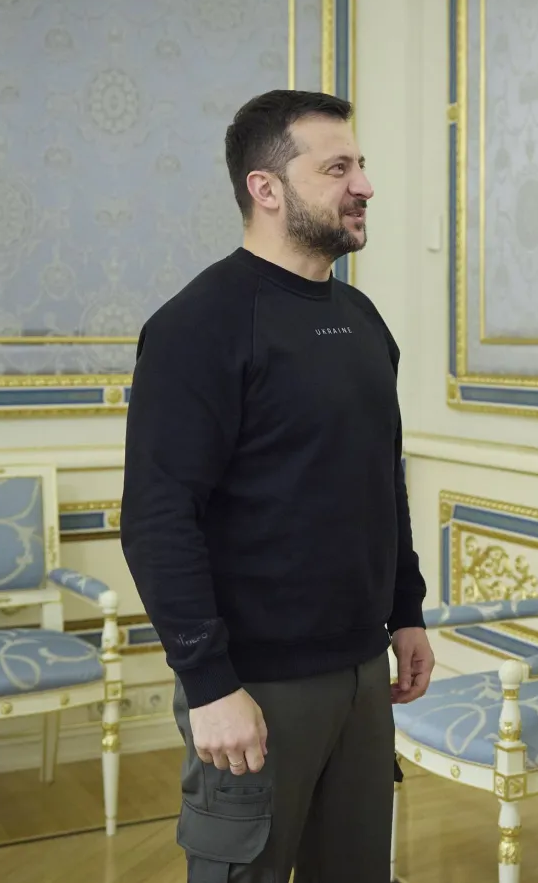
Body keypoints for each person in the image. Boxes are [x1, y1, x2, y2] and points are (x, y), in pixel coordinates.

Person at [120, 89, 432, 883]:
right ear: (266, 189)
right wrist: (209, 682)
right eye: (338, 168)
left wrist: (406, 610)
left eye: (361, 164)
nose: (363, 184)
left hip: (362, 676)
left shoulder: (363, 320)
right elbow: (159, 517)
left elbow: (378, 478)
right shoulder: (198, 325)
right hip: (252, 686)